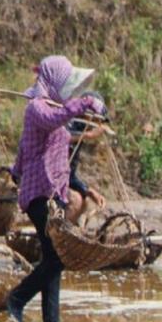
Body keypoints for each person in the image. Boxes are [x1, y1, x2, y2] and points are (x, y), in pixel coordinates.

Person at [6, 56, 103, 322]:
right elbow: (54, 119)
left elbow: (26, 147)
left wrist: (16, 169)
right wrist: (85, 103)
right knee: (56, 258)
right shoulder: (38, 108)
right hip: (41, 193)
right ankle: (16, 299)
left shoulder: (52, 108)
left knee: (52, 255)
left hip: (54, 191)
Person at [64, 90, 108, 226]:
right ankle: (57, 237)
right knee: (76, 200)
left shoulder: (79, 138)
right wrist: (87, 135)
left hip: (61, 182)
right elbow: (62, 138)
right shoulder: (67, 125)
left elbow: (69, 175)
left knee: (86, 200)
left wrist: (88, 190)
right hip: (45, 182)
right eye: (95, 120)